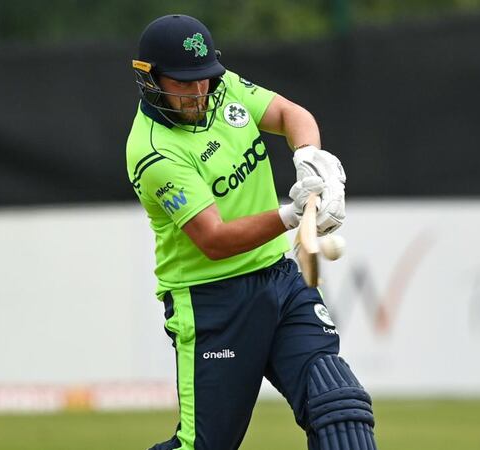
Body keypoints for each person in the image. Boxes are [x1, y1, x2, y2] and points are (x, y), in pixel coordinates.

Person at [125, 14, 377, 450]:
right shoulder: (153, 151)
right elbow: (214, 239)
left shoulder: (223, 89)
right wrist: (292, 215)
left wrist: (310, 159)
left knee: (340, 407)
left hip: (279, 281)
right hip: (211, 302)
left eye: (203, 79)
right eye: (184, 83)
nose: (199, 92)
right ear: (150, 79)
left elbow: (289, 113)